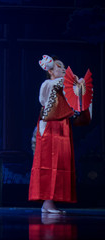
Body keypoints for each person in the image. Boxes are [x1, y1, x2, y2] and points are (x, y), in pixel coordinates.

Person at [28, 55, 91, 213]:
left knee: (61, 163)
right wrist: (73, 81)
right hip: (50, 126)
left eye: (64, 66)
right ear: (50, 71)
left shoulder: (64, 87)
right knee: (50, 162)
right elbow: (50, 94)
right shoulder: (48, 84)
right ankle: (47, 202)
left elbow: (75, 105)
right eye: (58, 66)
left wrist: (80, 88)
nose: (62, 69)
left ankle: (50, 203)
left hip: (62, 126)